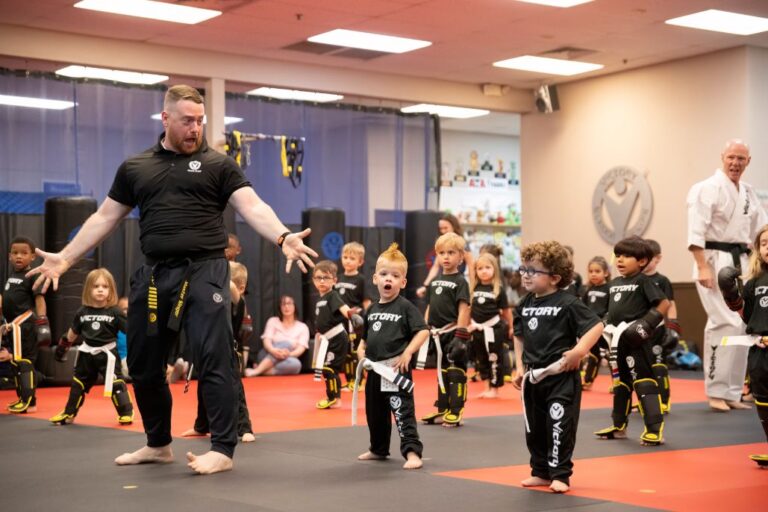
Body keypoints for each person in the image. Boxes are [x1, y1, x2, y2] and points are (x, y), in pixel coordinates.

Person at [27, 85, 317, 475]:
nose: (195, 128)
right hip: (155, 274)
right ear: (166, 119)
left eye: (200, 121)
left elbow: (252, 205)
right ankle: (158, 444)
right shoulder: (136, 167)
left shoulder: (219, 165)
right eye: (187, 121)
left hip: (206, 270)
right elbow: (104, 218)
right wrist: (64, 258)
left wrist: (283, 236)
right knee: (144, 365)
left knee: (213, 356)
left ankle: (222, 448)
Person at [511, 240, 603, 494]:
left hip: (561, 375)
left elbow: (596, 326)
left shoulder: (569, 303)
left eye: (533, 271)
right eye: (523, 269)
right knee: (535, 427)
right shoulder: (524, 304)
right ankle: (540, 471)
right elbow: (518, 336)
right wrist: (519, 368)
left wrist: (578, 352)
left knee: (559, 424)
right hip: (533, 376)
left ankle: (560, 474)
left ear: (554, 277)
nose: (526, 275)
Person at [687, 139, 768, 412]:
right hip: (713, 259)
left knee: (743, 325)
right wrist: (701, 266)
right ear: (723, 157)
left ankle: (732, 391)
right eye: (731, 157)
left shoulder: (747, 192)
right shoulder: (705, 188)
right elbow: (696, 229)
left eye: (741, 159)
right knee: (722, 322)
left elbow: (762, 227)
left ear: (748, 162)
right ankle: (715, 390)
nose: (735, 163)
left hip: (742, 261)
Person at [356, 243, 429, 470]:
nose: (389, 279)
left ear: (403, 282)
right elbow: (364, 339)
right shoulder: (372, 309)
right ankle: (378, 448)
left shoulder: (405, 307)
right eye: (384, 274)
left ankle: (412, 452)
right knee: (375, 413)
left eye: (395, 276)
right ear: (375, 278)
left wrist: (408, 352)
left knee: (401, 411)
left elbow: (423, 330)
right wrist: (360, 352)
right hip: (374, 370)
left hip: (395, 370)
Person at [594, 236, 670, 446]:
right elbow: (610, 311)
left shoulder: (644, 281)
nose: (620, 260)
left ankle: (655, 430)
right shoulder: (614, 284)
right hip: (617, 341)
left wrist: (647, 324)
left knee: (643, 382)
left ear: (642, 261)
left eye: (627, 256)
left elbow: (663, 304)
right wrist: (604, 326)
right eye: (618, 255)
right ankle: (619, 426)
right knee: (620, 383)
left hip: (637, 341)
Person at [181, 261, 256, 443]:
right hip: (210, 350)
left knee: (235, 390)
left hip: (229, 353)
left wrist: (214, 267)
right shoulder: (215, 301)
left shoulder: (238, 302)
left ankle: (244, 428)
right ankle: (202, 425)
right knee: (204, 388)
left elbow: (230, 287)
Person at [49, 268, 133, 425]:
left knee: (116, 382)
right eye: (96, 286)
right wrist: (63, 347)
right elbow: (73, 332)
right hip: (86, 354)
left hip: (108, 354)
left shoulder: (115, 312)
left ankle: (126, 412)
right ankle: (69, 413)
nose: (100, 289)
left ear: (111, 290)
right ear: (88, 289)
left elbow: (130, 332)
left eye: (105, 286)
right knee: (77, 384)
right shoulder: (82, 312)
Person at [717, 224, 768, 466]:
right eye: (764, 243)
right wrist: (732, 299)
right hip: (759, 348)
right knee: (763, 397)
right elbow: (748, 316)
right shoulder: (754, 281)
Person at [420, 232, 471, 427]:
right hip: (436, 332)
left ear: (460, 257)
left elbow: (464, 308)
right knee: (441, 372)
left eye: (451, 252)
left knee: (455, 371)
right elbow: (430, 307)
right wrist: (424, 329)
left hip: (453, 332)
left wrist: (461, 334)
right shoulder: (433, 282)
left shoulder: (460, 282)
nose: (446, 257)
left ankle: (456, 410)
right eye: (441, 253)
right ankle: (443, 409)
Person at [0, 236, 48, 413]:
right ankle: (23, 398)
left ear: (33, 257)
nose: (19, 256)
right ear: (9, 256)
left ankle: (30, 401)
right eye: (15, 253)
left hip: (25, 326)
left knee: (25, 363)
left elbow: (40, 298)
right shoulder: (12, 276)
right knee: (16, 364)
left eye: (24, 253)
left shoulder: (33, 275)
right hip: (13, 326)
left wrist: (43, 322)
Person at [311, 260, 363, 409]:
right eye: (318, 277)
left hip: (336, 338)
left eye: (326, 278)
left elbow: (343, 307)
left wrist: (351, 316)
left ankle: (334, 398)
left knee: (329, 368)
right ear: (313, 280)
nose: (321, 281)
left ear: (334, 280)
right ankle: (334, 396)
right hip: (328, 339)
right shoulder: (321, 299)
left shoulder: (332, 295)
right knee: (326, 368)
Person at [468, 253, 512, 398]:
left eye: (488, 267)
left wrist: (511, 327)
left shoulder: (498, 289)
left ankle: (495, 388)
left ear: (495, 269)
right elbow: (469, 309)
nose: (484, 271)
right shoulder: (474, 288)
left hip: (494, 329)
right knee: (480, 359)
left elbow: (506, 311)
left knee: (494, 358)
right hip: (477, 329)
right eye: (480, 268)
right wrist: (468, 325)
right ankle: (487, 386)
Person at [644, 239, 680, 412]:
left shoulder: (662, 281)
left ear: (658, 259)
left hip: (657, 330)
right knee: (642, 368)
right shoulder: (636, 280)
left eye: (648, 258)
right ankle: (647, 401)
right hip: (638, 331)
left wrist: (673, 327)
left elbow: (670, 304)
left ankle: (664, 401)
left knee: (659, 367)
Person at [335, 241, 372, 390]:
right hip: (341, 322)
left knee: (357, 351)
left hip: (356, 323)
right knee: (346, 353)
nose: (348, 261)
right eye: (345, 257)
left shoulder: (361, 279)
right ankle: (350, 381)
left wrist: (368, 319)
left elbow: (366, 301)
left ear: (360, 262)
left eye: (352, 258)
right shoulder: (337, 278)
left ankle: (361, 380)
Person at [245, 295, 309, 377]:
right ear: (280, 307)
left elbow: (301, 349)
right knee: (287, 344)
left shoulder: (302, 327)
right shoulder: (273, 321)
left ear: (295, 306)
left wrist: (287, 354)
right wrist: (273, 351)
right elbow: (266, 341)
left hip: (288, 358)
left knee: (296, 365)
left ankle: (262, 371)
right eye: (283, 304)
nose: (286, 306)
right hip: (267, 354)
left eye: (289, 303)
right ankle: (257, 371)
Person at [416, 213, 475, 298]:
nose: (443, 231)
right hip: (441, 282)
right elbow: (436, 266)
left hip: (456, 284)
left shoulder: (462, 244)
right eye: (441, 228)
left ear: (453, 226)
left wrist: (472, 289)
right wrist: (426, 285)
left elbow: (471, 266)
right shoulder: (442, 243)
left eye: (446, 228)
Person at [580, 256, 611, 390]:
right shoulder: (588, 290)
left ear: (606, 273)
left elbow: (612, 308)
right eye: (591, 271)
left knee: (611, 356)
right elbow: (583, 308)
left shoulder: (610, 288)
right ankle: (588, 381)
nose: (593, 274)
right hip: (591, 327)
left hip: (606, 327)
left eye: (597, 271)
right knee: (593, 354)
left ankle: (618, 383)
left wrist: (604, 321)